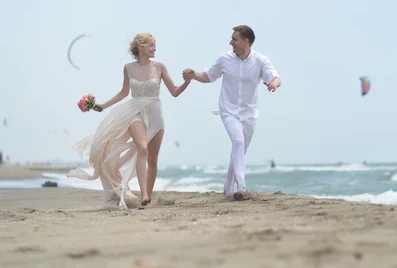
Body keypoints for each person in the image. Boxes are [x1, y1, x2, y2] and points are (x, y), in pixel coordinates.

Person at [67, 33, 191, 209]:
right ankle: (144, 194)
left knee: (153, 159)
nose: (155, 48)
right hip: (135, 112)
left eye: (155, 45)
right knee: (142, 147)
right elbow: (124, 93)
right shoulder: (128, 68)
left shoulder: (160, 67)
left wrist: (187, 82)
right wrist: (103, 105)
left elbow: (175, 92)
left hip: (155, 114)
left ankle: (147, 194)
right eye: (152, 45)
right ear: (141, 47)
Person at [183, 25, 281, 200]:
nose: (230, 42)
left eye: (234, 39)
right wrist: (193, 75)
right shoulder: (224, 59)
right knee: (238, 141)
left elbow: (275, 76)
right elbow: (209, 76)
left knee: (239, 151)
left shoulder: (260, 60)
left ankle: (228, 190)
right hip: (228, 110)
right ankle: (241, 187)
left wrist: (273, 83)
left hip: (250, 113)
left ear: (246, 42)